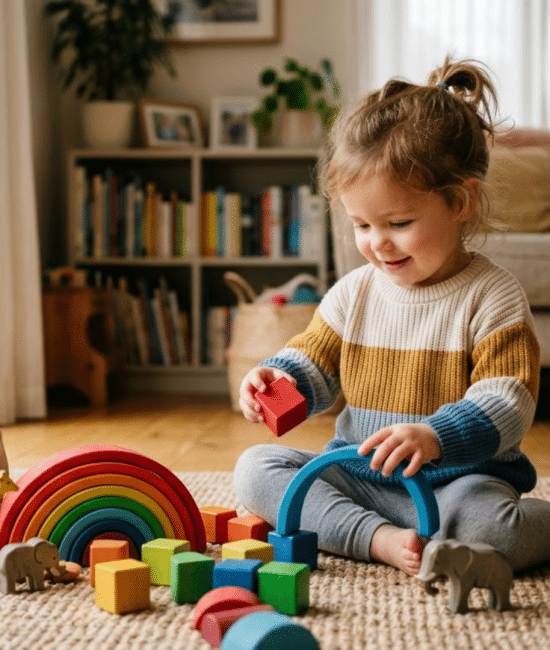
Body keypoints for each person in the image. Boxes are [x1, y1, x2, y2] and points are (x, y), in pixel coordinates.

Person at [233, 57, 550, 576]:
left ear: (461, 201)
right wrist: (275, 379)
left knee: (491, 530)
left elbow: (507, 401)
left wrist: (434, 437)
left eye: (398, 223)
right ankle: (377, 539)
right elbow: (313, 362)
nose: (376, 244)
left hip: (456, 485)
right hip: (359, 474)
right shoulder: (353, 293)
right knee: (255, 470)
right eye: (361, 224)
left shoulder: (492, 296)